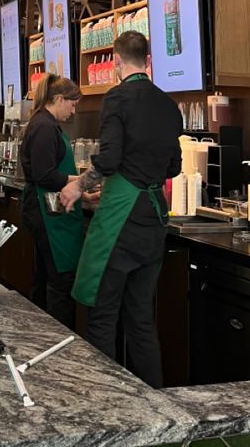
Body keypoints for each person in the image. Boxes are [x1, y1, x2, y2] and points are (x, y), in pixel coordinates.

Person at [60, 30, 182, 388]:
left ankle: (106, 403)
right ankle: (154, 400)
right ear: (148, 61)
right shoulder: (168, 105)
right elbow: (173, 166)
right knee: (141, 318)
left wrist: (78, 186)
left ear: (115, 62)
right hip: (153, 218)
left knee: (101, 316)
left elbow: (110, 158)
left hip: (122, 222)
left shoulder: (118, 98)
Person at [20, 74, 83, 329]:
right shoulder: (45, 127)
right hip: (44, 210)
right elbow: (44, 175)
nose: (74, 110)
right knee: (60, 281)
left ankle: (42, 334)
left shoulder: (44, 123)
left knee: (47, 275)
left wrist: (81, 190)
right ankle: (59, 340)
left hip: (47, 207)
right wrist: (80, 181)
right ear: (58, 99)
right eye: (73, 103)